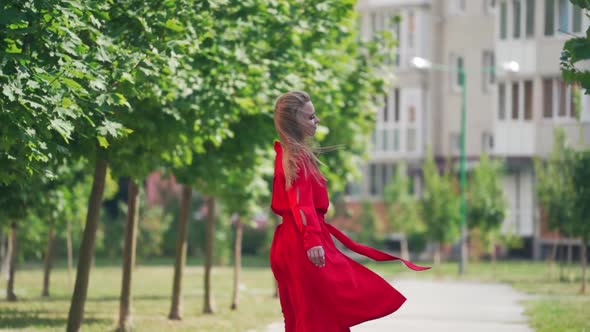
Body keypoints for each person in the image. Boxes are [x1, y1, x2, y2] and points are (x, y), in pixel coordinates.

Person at [269, 90, 430, 332]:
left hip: (291, 240)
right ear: (294, 120)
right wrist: (312, 240)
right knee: (318, 315)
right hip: (302, 241)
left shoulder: (288, 154)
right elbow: (300, 202)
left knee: (306, 313)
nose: (317, 121)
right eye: (310, 117)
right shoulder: (297, 156)